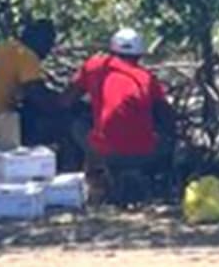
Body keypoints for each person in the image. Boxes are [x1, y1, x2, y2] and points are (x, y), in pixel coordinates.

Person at [62, 27, 176, 205]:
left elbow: (66, 101)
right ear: (139, 55)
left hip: (105, 152)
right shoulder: (146, 78)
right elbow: (167, 117)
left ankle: (92, 178)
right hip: (144, 153)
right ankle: (161, 182)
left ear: (111, 50)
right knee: (168, 141)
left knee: (76, 125)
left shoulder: (94, 66)